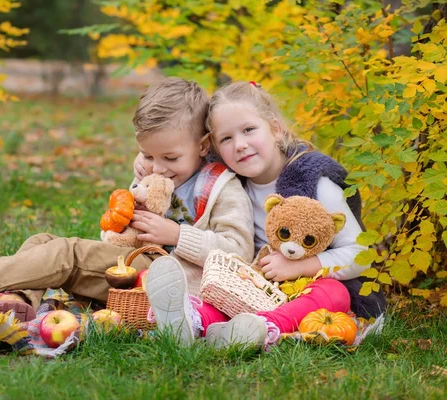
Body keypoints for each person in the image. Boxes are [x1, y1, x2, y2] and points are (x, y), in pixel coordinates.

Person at [0, 77, 255, 327]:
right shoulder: (151, 175)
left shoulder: (221, 187)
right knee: (43, 242)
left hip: (169, 285)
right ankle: (16, 303)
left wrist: (175, 235)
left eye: (169, 157)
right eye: (147, 154)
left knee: (67, 252)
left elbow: (239, 252)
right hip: (131, 269)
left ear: (204, 145)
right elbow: (113, 240)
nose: (157, 167)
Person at [137, 80, 386, 350]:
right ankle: (193, 321)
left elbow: (361, 256)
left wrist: (300, 266)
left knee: (333, 293)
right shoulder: (227, 180)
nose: (240, 145)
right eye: (226, 139)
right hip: (254, 287)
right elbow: (176, 159)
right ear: (214, 149)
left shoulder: (315, 182)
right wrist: (143, 162)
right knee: (216, 291)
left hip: (307, 286)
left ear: (276, 129)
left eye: (249, 130)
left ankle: (262, 326)